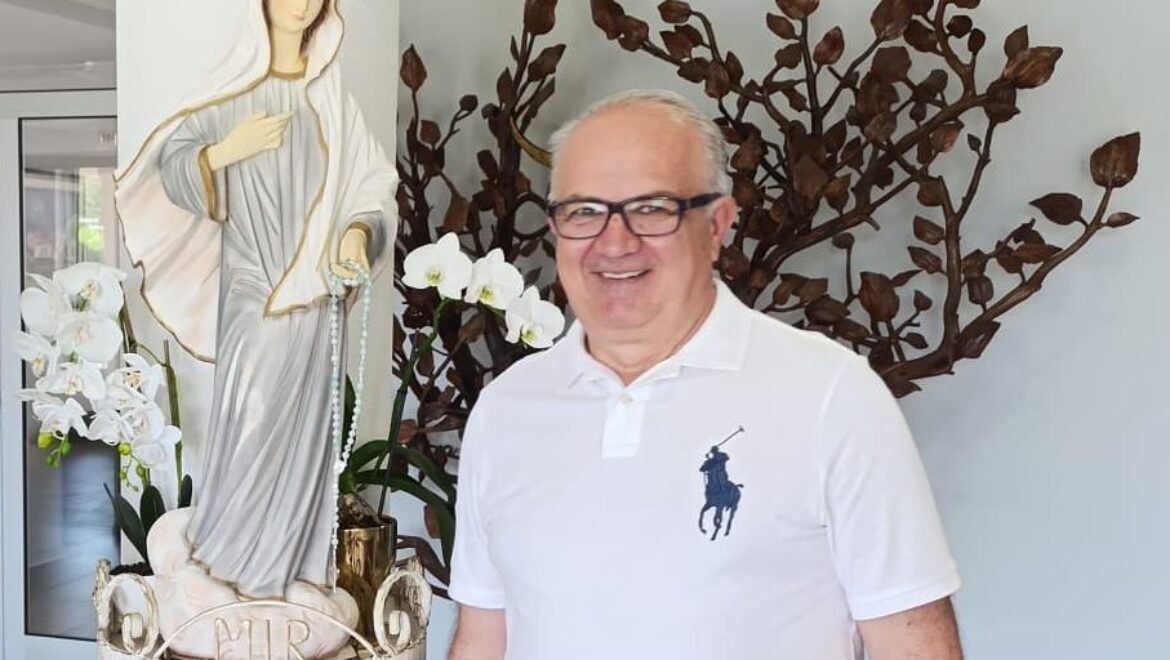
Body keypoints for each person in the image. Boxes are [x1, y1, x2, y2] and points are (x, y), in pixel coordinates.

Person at [447, 90, 963, 660]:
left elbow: (914, 647)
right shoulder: (505, 410)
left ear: (718, 224)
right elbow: (482, 638)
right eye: (584, 211)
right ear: (555, 228)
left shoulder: (832, 395)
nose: (614, 243)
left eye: (652, 208)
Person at [115, 0, 395, 598]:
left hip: (315, 300)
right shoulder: (231, 93)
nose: (302, 4)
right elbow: (172, 164)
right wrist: (223, 152)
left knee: (305, 437)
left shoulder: (329, 96)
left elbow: (371, 186)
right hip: (252, 293)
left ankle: (286, 573)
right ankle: (231, 565)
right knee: (252, 420)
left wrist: (356, 232)